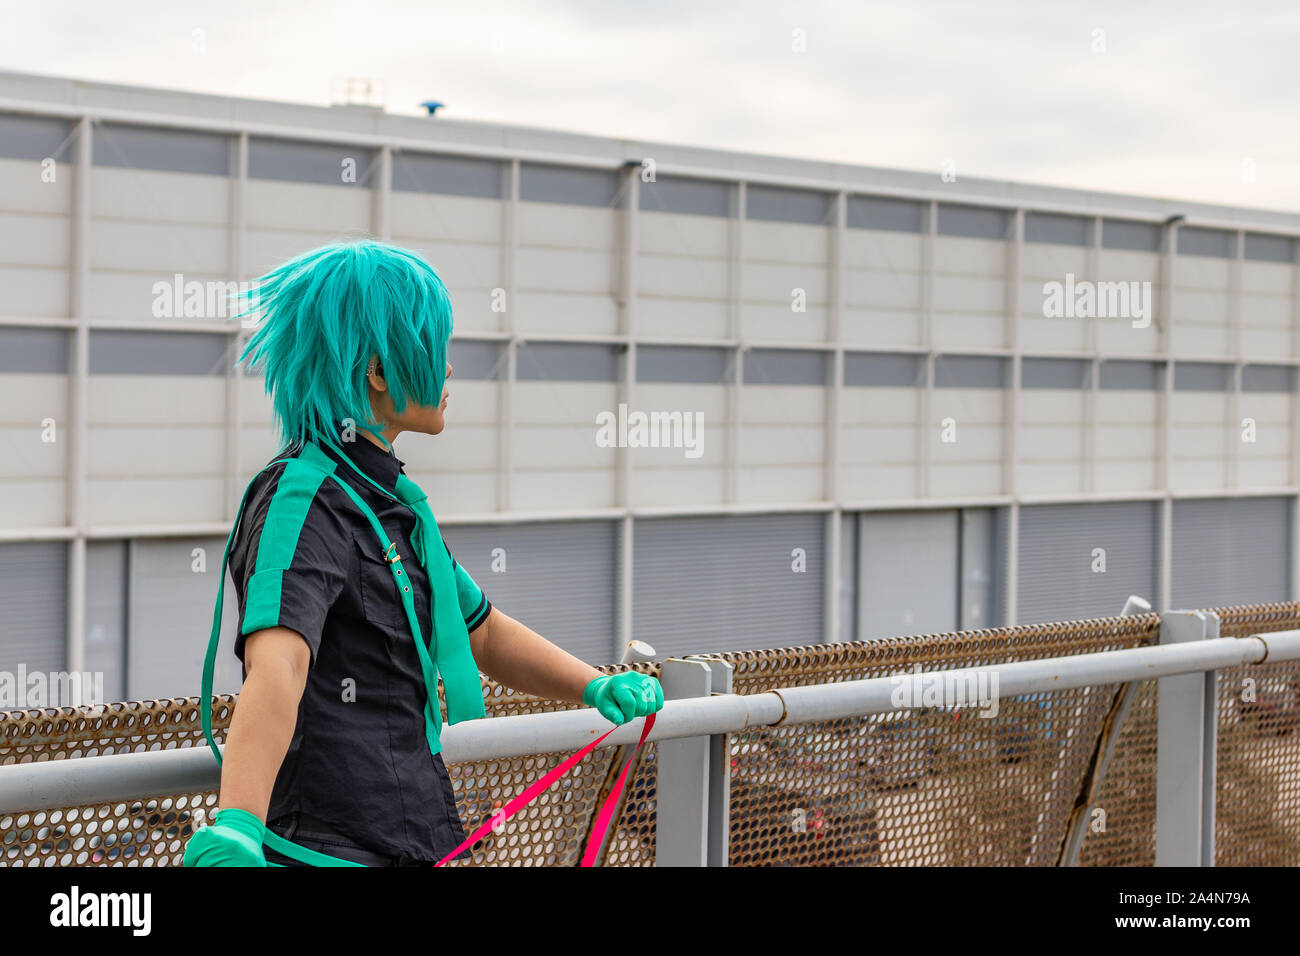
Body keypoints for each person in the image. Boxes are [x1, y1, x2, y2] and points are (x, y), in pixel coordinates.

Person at [183, 240, 663, 867]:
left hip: (419, 839)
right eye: (434, 346)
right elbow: (278, 665)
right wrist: (239, 826)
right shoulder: (303, 499)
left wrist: (595, 685)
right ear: (378, 372)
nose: (449, 370)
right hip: (326, 850)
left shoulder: (392, 502)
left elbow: (482, 630)